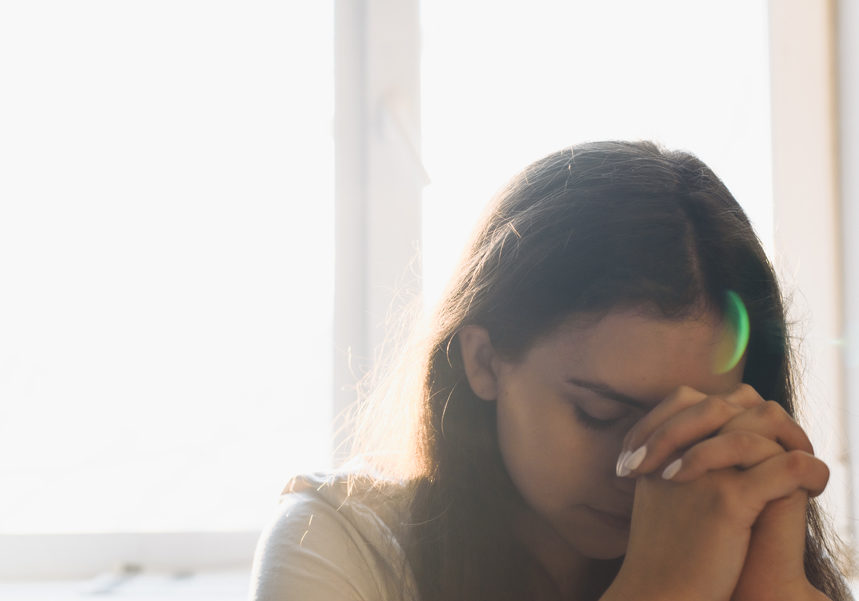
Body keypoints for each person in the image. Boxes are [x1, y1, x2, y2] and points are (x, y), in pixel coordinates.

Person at [249, 140, 853, 601]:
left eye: (700, 426)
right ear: (485, 361)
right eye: (599, 414)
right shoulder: (339, 546)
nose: (646, 467)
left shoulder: (759, 558)